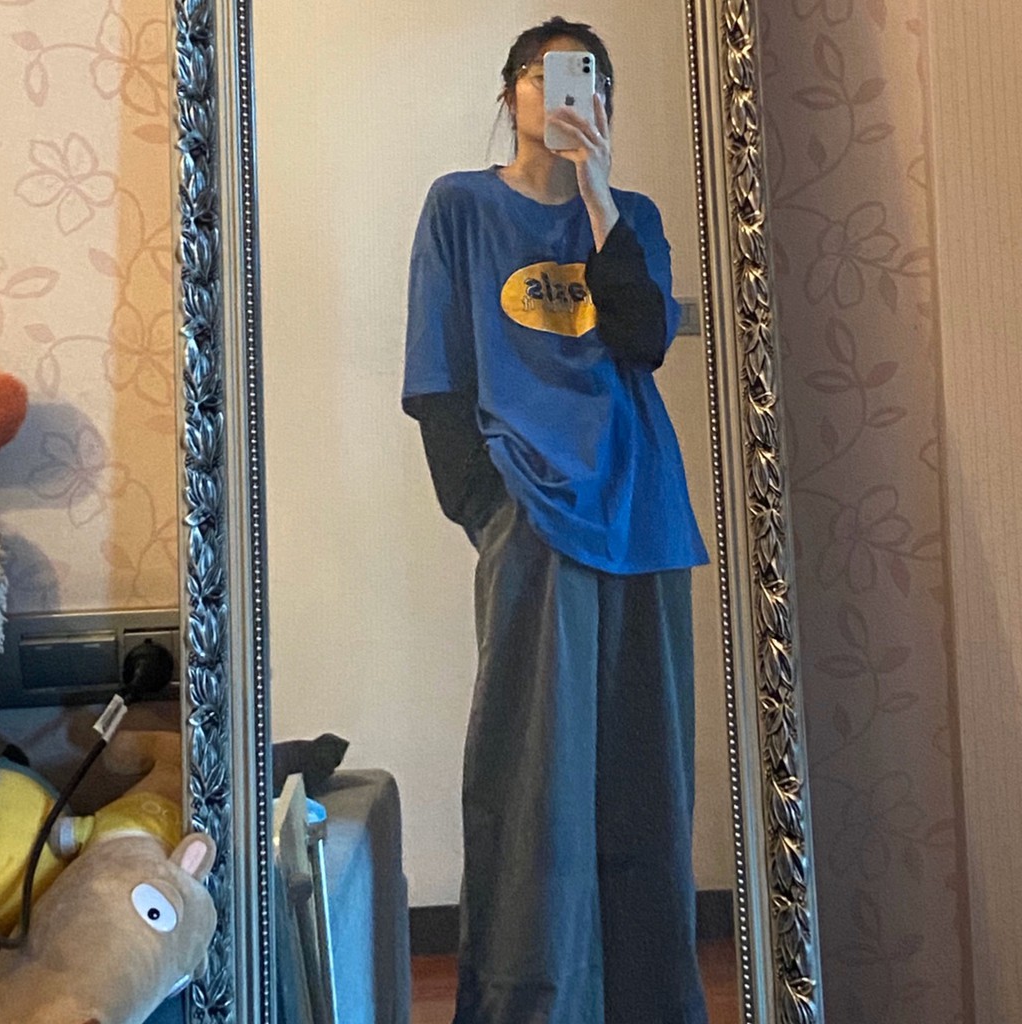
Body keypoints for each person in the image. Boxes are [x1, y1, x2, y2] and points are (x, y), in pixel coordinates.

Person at [402, 16, 710, 1024]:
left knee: (646, 783)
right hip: (532, 515)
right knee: (534, 784)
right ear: (510, 95)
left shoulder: (632, 216)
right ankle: (533, 1005)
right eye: (548, 74)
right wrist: (491, 511)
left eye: (591, 78)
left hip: (646, 516)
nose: (571, 92)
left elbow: (642, 338)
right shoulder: (460, 205)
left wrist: (598, 192)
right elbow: (437, 376)